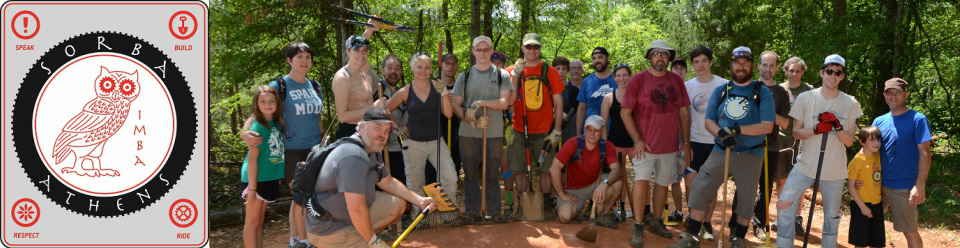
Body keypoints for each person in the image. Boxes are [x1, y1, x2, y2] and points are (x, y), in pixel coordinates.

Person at [669, 46, 775, 248]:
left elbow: (767, 126)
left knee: (746, 196)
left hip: (751, 153)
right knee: (700, 187)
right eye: (737, 63)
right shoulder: (722, 90)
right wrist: (721, 133)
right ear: (732, 65)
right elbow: (709, 120)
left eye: (745, 63)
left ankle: (738, 238)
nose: (741, 66)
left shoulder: (762, 92)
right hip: (721, 150)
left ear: (751, 65)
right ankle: (692, 235)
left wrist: (735, 131)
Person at [306, 107, 437, 248]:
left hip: (346, 216)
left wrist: (419, 200)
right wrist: (374, 242)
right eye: (378, 128)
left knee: (398, 204)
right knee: (370, 240)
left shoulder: (371, 150)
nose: (383, 134)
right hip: (331, 228)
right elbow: (356, 209)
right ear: (362, 127)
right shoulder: (353, 156)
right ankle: (363, 239)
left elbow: (388, 182)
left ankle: (362, 236)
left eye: (387, 130)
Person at [240, 42, 324, 248]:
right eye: (299, 57)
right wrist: (244, 133)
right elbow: (257, 112)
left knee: (301, 196)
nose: (305, 61)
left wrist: (323, 140)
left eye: (308, 57)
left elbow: (316, 116)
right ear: (289, 60)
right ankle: (305, 241)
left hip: (315, 148)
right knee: (302, 193)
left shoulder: (314, 86)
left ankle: (295, 241)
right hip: (290, 150)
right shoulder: (279, 86)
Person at [775, 54, 862, 248]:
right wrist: (815, 129)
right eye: (829, 71)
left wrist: (837, 126)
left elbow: (849, 142)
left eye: (837, 72)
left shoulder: (850, 103)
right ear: (822, 73)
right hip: (805, 165)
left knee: (831, 216)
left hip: (834, 169)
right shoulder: (806, 98)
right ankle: (784, 244)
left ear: (842, 76)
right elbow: (796, 133)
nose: (833, 75)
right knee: (784, 203)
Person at [622, 39, 692, 246]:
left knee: (663, 184)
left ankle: (657, 220)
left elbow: (683, 112)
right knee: (641, 182)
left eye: (664, 54)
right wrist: (637, 139)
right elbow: (625, 112)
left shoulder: (677, 81)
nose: (660, 57)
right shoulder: (638, 80)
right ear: (650, 56)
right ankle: (637, 226)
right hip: (645, 146)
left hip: (670, 146)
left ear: (669, 58)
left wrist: (685, 143)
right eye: (656, 53)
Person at [377, 54, 458, 217]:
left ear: (431, 70)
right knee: (416, 183)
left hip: (437, 142)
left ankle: (449, 212)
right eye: (419, 67)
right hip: (413, 143)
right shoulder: (406, 91)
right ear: (412, 68)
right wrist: (396, 128)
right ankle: (419, 217)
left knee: (450, 177)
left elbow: (449, 114)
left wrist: (443, 93)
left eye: (427, 67)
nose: (423, 70)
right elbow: (385, 109)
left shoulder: (437, 86)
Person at [728, 50, 791, 241]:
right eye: (765, 65)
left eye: (772, 66)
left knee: (765, 188)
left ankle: (759, 224)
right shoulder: (749, 87)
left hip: (770, 146)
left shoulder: (781, 92)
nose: (768, 69)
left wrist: (767, 113)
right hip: (747, 146)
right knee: (743, 186)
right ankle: (734, 226)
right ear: (758, 66)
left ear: (777, 68)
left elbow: (786, 123)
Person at [452, 36, 514, 222]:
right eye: (478, 49)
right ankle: (472, 211)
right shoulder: (465, 76)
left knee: (492, 173)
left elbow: (504, 103)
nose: (482, 53)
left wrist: (479, 103)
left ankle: (494, 211)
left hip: (494, 132)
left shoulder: (501, 75)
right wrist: (471, 118)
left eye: (486, 49)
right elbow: (455, 104)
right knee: (470, 173)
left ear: (491, 50)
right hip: (469, 133)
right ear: (473, 51)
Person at [506, 33, 565, 219]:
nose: (532, 50)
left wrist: (556, 131)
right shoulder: (510, 71)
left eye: (536, 47)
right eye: (528, 47)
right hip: (518, 129)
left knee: (546, 171)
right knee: (520, 171)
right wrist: (515, 75)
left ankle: (546, 206)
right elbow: (509, 101)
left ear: (540, 48)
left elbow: (558, 102)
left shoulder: (549, 71)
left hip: (544, 132)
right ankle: (522, 207)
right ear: (523, 48)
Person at [872, 77, 931, 248]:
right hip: (878, 183)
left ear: (907, 94)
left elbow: (925, 152)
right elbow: (870, 152)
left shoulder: (917, 119)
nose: (893, 96)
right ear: (884, 94)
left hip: (903, 185)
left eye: (898, 92)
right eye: (889, 92)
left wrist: (919, 185)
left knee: (910, 231)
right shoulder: (879, 121)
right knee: (873, 225)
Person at [681, 45, 727, 241]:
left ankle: (706, 224)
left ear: (711, 62)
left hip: (716, 143)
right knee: (691, 185)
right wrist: (684, 143)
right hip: (694, 142)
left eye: (704, 61)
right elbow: (683, 116)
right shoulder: (688, 86)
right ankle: (693, 222)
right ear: (692, 65)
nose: (700, 65)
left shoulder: (725, 84)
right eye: (696, 62)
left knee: (710, 187)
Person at [550, 115, 621, 224]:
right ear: (584, 129)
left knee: (617, 184)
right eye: (588, 129)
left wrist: (605, 183)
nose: (591, 134)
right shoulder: (573, 143)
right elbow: (554, 168)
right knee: (564, 217)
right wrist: (562, 194)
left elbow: (617, 170)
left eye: (596, 130)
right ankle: (578, 212)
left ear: (602, 131)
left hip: (595, 185)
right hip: (573, 189)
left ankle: (604, 214)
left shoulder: (607, 146)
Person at [242, 86, 286, 248]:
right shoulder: (258, 127)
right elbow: (252, 160)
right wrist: (252, 189)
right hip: (256, 180)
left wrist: (276, 176)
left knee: (259, 222)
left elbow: (274, 154)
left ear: (277, 103)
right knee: (252, 223)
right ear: (257, 104)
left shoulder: (275, 124)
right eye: (263, 102)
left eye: (271, 101)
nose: (268, 105)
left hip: (269, 178)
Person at [777, 56, 814, 235]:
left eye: (797, 70)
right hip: (782, 139)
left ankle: (797, 219)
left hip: (803, 142)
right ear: (785, 71)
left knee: (799, 182)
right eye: (790, 70)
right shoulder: (779, 89)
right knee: (782, 180)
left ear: (802, 72)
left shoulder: (809, 91)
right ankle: (782, 216)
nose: (794, 73)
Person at [598, 63, 632, 228]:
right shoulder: (609, 98)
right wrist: (604, 144)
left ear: (629, 77)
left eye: (625, 75)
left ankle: (644, 211)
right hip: (615, 143)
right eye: (618, 75)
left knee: (641, 177)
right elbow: (603, 122)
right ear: (614, 78)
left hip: (634, 143)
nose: (622, 78)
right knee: (620, 176)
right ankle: (621, 208)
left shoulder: (636, 95)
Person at [847, 126, 885, 248]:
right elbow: (851, 186)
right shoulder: (857, 161)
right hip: (861, 205)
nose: (876, 143)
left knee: (877, 242)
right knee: (860, 243)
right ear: (862, 142)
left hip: (877, 204)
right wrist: (863, 207)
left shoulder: (878, 156)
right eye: (872, 140)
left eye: (878, 140)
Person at [332, 35, 376, 139]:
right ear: (348, 51)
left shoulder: (367, 78)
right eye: (357, 50)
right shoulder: (342, 77)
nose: (362, 54)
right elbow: (342, 117)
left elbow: (370, 112)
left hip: (365, 131)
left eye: (365, 50)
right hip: (348, 133)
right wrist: (373, 108)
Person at [376, 54, 409, 185]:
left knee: (400, 183)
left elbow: (405, 123)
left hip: (396, 148)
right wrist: (396, 126)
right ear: (382, 70)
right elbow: (384, 109)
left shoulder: (404, 93)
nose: (393, 72)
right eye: (389, 68)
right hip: (377, 148)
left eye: (397, 68)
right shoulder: (376, 88)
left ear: (401, 71)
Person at [577, 47, 617, 136]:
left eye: (600, 57)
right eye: (594, 58)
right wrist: (578, 133)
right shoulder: (587, 81)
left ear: (608, 58)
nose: (597, 60)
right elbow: (582, 108)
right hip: (591, 132)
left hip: (614, 132)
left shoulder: (618, 78)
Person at [562, 59, 586, 142]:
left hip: (587, 127)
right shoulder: (564, 89)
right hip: (567, 129)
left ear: (583, 71)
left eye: (579, 68)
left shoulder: (589, 86)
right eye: (573, 68)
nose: (576, 71)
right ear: (569, 71)